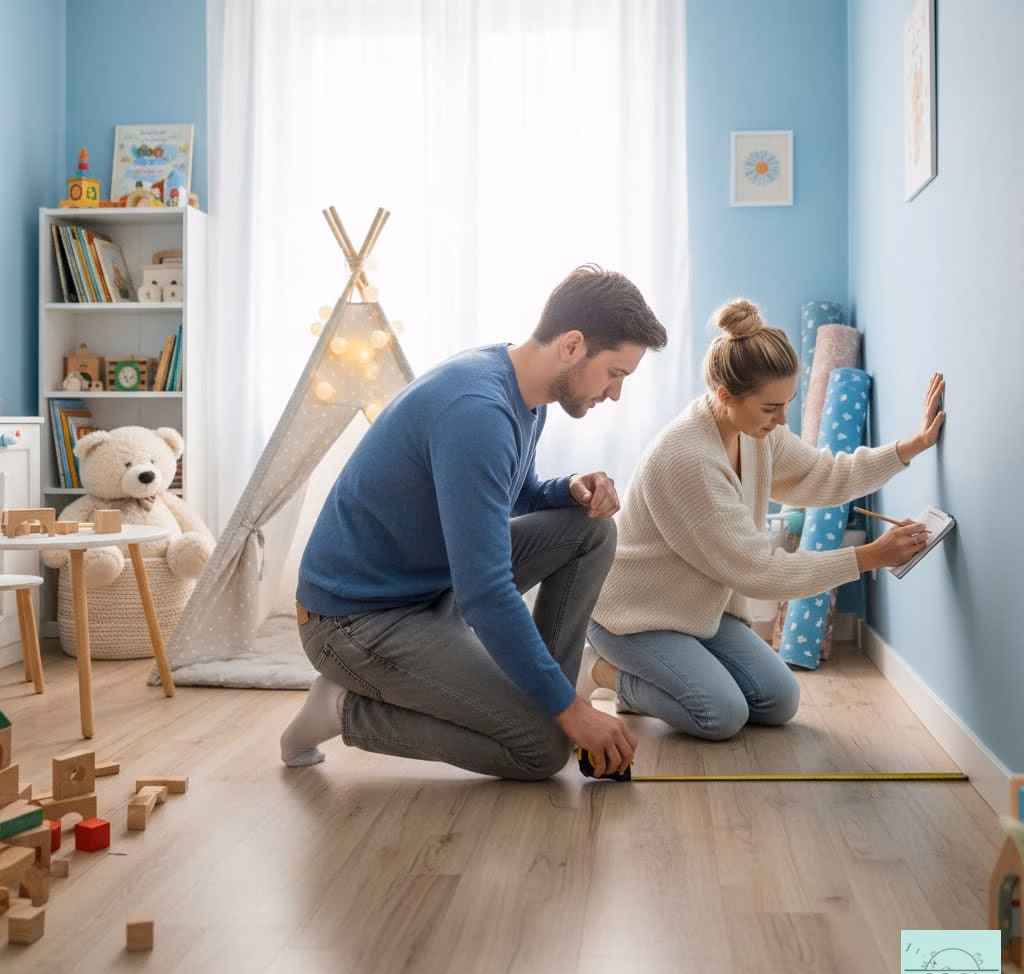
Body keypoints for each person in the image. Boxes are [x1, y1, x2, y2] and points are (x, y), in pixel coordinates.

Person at [280, 264, 668, 779]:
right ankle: (341, 708)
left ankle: (542, 693)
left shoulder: (525, 391)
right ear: (573, 346)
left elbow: (517, 492)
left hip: (429, 591)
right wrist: (573, 715)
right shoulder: (477, 412)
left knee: (590, 531)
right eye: (615, 373)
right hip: (354, 623)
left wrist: (568, 488)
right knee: (541, 749)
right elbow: (485, 591)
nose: (615, 393)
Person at [581, 297, 945, 742]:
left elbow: (824, 475)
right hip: (634, 617)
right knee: (721, 714)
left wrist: (911, 447)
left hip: (701, 613)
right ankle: (604, 673)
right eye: (772, 408)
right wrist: (869, 556)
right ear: (724, 396)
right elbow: (761, 572)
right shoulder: (688, 460)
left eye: (787, 403)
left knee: (778, 700)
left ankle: (674, 672)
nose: (782, 419)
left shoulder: (755, 432)